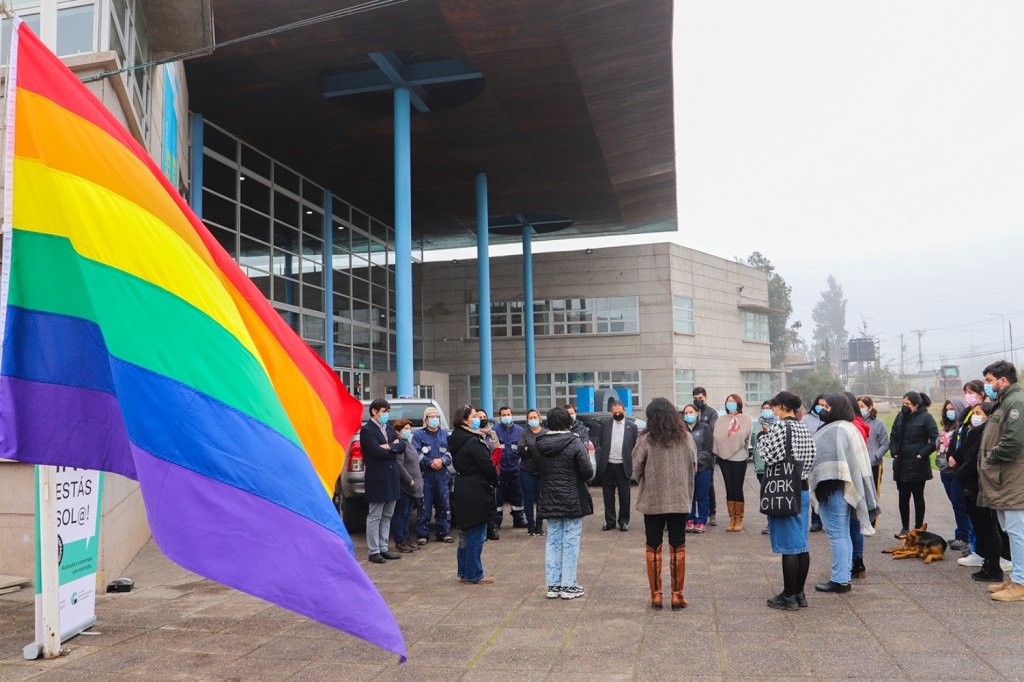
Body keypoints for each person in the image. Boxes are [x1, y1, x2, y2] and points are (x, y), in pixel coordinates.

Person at [808, 393, 878, 593]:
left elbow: (825, 460)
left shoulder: (836, 430)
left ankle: (840, 579)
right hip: (848, 488)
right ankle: (844, 575)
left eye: (827, 406)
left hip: (834, 489)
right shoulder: (849, 427)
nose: (822, 410)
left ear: (836, 408)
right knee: (844, 533)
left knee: (837, 534)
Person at [633, 398, 696, 609]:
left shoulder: (646, 439)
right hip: (679, 499)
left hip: (653, 499)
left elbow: (636, 467)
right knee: (678, 546)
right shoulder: (686, 437)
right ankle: (677, 595)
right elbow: (694, 464)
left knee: (653, 547)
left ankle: (656, 595)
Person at [760, 391, 817, 611]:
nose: (772, 411)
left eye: (774, 407)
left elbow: (767, 456)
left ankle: (788, 596)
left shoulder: (780, 427)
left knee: (790, 547)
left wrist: (763, 437)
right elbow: (811, 456)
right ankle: (799, 593)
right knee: (801, 544)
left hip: (784, 490)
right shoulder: (803, 426)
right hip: (802, 488)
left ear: (782, 407)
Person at [534, 406, 594, 600]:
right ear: (568, 422)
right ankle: (569, 585)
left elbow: (535, 471)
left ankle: (553, 585)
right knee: (570, 541)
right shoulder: (575, 442)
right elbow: (588, 472)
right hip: (572, 498)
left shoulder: (539, 444)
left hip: (549, 498)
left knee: (552, 540)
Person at [979, 360, 1024, 601]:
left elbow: (1013, 442)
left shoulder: (1015, 402)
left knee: (1018, 532)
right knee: (1012, 530)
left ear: (1003, 380)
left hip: (1013, 477)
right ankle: (1017, 578)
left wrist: (990, 458)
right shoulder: (1004, 401)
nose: (987, 385)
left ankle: (1021, 584)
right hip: (1004, 477)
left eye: (989, 380)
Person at [953, 402, 1006, 582]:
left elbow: (975, 458)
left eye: (978, 413)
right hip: (972, 485)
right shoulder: (973, 431)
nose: (974, 416)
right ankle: (985, 558)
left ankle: (994, 565)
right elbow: (963, 452)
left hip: (981, 484)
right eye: (973, 412)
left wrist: (958, 475)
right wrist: (953, 457)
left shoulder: (987, 432)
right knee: (980, 526)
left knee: (989, 527)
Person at [450, 404, 499, 584]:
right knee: (477, 533)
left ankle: (464, 571)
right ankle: (474, 573)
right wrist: (495, 479)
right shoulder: (472, 440)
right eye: (473, 416)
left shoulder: (456, 437)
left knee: (464, 532)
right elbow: (486, 465)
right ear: (465, 420)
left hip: (463, 486)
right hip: (476, 487)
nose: (478, 418)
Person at [359, 398, 408, 564]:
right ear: (375, 411)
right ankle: (374, 551)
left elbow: (402, 446)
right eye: (384, 411)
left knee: (387, 515)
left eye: (388, 412)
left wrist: (389, 447)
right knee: (375, 515)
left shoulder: (388, 428)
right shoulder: (367, 430)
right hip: (377, 478)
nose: (387, 415)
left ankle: (384, 547)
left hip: (392, 477)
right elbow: (375, 451)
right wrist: (390, 448)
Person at [889, 391, 938, 538]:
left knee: (918, 496)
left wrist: (921, 454)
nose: (904, 406)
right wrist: (894, 451)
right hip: (901, 463)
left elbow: (935, 438)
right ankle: (905, 527)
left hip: (917, 465)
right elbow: (894, 435)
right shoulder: (900, 416)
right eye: (903, 403)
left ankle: (918, 527)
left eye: (908, 404)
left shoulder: (926, 417)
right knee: (903, 496)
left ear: (916, 405)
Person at [412, 406, 453, 545]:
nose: (435, 419)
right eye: (432, 417)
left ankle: (444, 532)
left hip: (442, 475)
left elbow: (450, 452)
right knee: (424, 506)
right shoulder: (418, 435)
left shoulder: (445, 435)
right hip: (425, 475)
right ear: (426, 419)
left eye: (437, 417)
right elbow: (416, 454)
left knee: (444, 505)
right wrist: (430, 462)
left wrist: (442, 461)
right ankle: (423, 534)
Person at [937, 396, 973, 551]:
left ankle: (965, 536)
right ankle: (961, 532)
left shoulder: (963, 428)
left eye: (952, 409)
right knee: (955, 504)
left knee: (961, 505)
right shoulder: (946, 428)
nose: (949, 412)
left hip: (956, 471)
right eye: (947, 409)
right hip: (944, 470)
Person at [712, 394, 752, 531]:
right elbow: (717, 436)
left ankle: (739, 518)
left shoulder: (745, 418)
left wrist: (731, 438)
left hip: (739, 457)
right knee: (728, 488)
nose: (730, 403)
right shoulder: (721, 419)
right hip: (723, 458)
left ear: (739, 403)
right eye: (728, 401)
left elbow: (742, 435)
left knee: (737, 488)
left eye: (733, 401)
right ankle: (732, 518)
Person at [598, 400, 639, 532]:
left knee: (624, 496)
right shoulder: (605, 425)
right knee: (608, 496)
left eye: (619, 412)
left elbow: (634, 445)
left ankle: (624, 521)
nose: (617, 414)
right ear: (611, 412)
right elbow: (601, 442)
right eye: (614, 412)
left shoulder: (631, 426)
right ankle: (610, 521)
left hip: (623, 465)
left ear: (624, 411)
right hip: (608, 465)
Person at [391, 419, 424, 553]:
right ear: (398, 431)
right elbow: (398, 465)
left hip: (412, 487)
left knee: (407, 514)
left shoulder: (407, 443)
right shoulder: (399, 444)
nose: (408, 431)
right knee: (401, 513)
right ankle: (400, 540)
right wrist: (409, 480)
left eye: (409, 428)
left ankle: (406, 537)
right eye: (405, 429)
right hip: (404, 486)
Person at [493, 406, 528, 531]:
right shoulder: (494, 431)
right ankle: (496, 521)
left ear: (512, 415)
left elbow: (523, 449)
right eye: (503, 415)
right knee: (498, 496)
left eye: (508, 414)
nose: (506, 417)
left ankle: (519, 519)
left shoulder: (520, 431)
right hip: (500, 469)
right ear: (499, 417)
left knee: (518, 494)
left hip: (515, 468)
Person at [682, 404, 713, 533]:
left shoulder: (705, 428)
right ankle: (689, 519)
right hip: (685, 469)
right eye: (686, 413)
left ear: (697, 413)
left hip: (702, 468)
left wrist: (696, 461)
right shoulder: (681, 429)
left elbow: (707, 449)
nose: (688, 415)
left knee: (702, 496)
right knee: (688, 495)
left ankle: (701, 520)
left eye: (691, 412)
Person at [692, 387, 720, 526]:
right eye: (695, 398)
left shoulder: (711, 413)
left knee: (708, 484)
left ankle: (712, 513)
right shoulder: (690, 410)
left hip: (707, 453)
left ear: (706, 398)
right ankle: (692, 515)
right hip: (691, 454)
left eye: (700, 398)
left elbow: (712, 429)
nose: (698, 401)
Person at [519, 409, 548, 536]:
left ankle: (539, 525)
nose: (532, 419)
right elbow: (520, 451)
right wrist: (537, 449)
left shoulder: (546, 433)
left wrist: (529, 448)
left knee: (541, 499)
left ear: (539, 419)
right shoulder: (523, 433)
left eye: (534, 417)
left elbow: (547, 451)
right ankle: (530, 525)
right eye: (530, 418)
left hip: (541, 471)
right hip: (526, 470)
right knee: (528, 498)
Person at [476, 408, 503, 541]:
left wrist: (491, 463)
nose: (482, 419)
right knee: (480, 502)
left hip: (492, 470)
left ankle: (491, 527)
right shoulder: (473, 434)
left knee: (492, 500)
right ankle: (482, 530)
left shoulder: (493, 434)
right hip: (479, 472)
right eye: (479, 417)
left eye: (484, 417)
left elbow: (498, 448)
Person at [752, 400, 777, 534]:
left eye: (769, 408)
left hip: (773, 465)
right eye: (764, 408)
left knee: (774, 494)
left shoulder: (778, 424)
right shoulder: (757, 424)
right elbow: (753, 441)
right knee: (765, 495)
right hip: (760, 466)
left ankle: (773, 522)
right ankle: (769, 521)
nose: (766, 410)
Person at [803, 394, 828, 532]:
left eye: (825, 405)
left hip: (825, 459)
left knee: (824, 491)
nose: (821, 407)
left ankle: (826, 519)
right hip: (811, 459)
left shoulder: (831, 418)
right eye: (819, 404)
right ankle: (816, 521)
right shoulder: (807, 419)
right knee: (812, 489)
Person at [858, 396, 890, 497]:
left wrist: (876, 456)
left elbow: (885, 443)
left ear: (870, 407)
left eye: (862, 406)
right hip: (858, 465)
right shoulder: (854, 423)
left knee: (873, 494)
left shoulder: (878, 423)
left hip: (874, 465)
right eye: (857, 406)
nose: (859, 409)